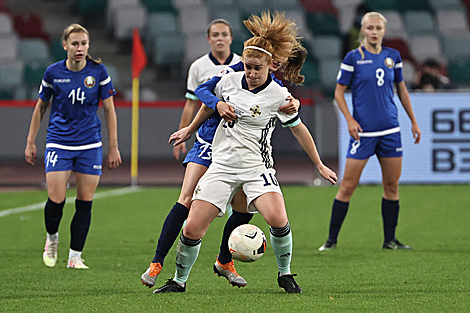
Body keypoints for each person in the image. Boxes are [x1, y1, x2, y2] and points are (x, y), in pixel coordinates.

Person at [153, 31, 337, 294]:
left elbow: (298, 128)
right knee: (193, 227)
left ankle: (285, 274)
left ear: (268, 66)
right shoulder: (229, 81)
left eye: (257, 68)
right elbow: (206, 103)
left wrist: (319, 164)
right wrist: (192, 127)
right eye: (248, 67)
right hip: (222, 166)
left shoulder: (278, 94)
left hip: (256, 168)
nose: (251, 73)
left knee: (278, 218)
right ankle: (179, 281)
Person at [318, 12, 422, 252]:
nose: (374, 32)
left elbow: (402, 91)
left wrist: (413, 121)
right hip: (362, 133)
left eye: (378, 28)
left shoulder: (392, 56)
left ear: (383, 31)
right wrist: (349, 120)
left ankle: (390, 240)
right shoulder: (353, 58)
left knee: (392, 186)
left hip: (391, 130)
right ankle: (331, 241)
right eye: (370, 28)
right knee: (347, 186)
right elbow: (338, 92)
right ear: (363, 31)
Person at [24, 23, 121, 269]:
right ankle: (52, 239)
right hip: (59, 142)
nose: (80, 48)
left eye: (84, 43)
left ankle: (75, 256)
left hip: (90, 144)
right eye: (75, 43)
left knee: (84, 201)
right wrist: (30, 142)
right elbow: (41, 107)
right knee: (56, 199)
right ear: (65, 45)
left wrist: (113, 146)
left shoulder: (98, 72)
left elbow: (109, 109)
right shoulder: (53, 72)